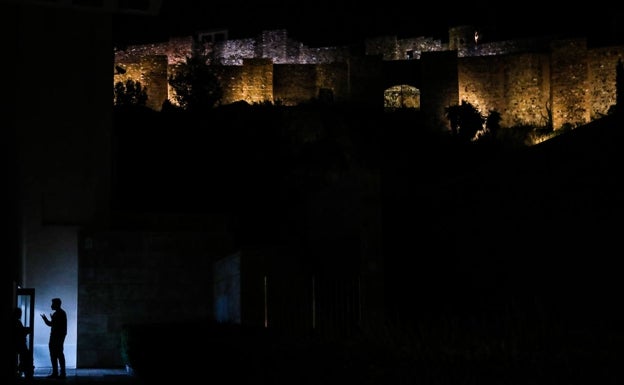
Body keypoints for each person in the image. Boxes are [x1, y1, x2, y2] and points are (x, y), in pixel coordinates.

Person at [41, 298, 67, 379]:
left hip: (56, 337)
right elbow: (55, 324)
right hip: (58, 337)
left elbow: (52, 324)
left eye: (52, 304)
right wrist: (51, 319)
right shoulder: (61, 313)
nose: (51, 306)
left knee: (55, 355)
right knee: (58, 354)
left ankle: (57, 373)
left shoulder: (59, 314)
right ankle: (61, 373)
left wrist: (46, 319)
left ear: (57, 304)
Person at [14, 307, 33, 379]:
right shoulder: (17, 322)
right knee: (26, 357)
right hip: (20, 344)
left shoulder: (16, 321)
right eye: (20, 313)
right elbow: (20, 332)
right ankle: (27, 375)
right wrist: (27, 330)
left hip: (19, 344)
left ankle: (22, 371)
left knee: (24, 358)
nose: (21, 315)